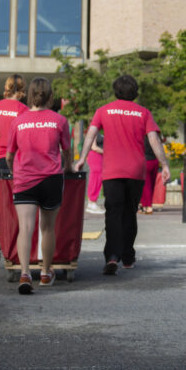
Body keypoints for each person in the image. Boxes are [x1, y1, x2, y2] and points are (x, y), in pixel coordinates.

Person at [73, 74, 170, 275]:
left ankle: (112, 256)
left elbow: (90, 135)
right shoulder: (143, 113)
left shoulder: (103, 110)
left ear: (115, 91)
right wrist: (165, 164)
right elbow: (154, 141)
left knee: (113, 213)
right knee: (129, 213)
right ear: (135, 92)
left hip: (112, 170)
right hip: (136, 170)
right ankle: (128, 257)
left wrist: (82, 158)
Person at [6, 77, 71, 294]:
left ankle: (25, 273)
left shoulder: (18, 121)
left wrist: (15, 172)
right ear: (50, 96)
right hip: (51, 178)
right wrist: (68, 167)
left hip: (24, 179)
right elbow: (66, 151)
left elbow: (9, 155)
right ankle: (45, 272)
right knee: (48, 228)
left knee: (25, 228)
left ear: (30, 95)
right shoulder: (59, 120)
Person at [0, 74, 27, 265]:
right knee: (12, 206)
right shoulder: (24, 110)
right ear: (21, 90)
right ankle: (11, 245)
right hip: (12, 163)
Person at [139, 132, 161, 215]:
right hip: (155, 161)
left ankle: (147, 206)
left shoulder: (141, 137)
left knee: (145, 186)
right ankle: (145, 205)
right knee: (151, 185)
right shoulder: (156, 137)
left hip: (145, 161)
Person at [85, 133, 105, 215]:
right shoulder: (93, 131)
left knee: (98, 178)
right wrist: (106, 152)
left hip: (100, 157)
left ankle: (93, 202)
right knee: (95, 178)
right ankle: (91, 202)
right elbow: (94, 147)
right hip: (95, 156)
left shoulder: (100, 132)